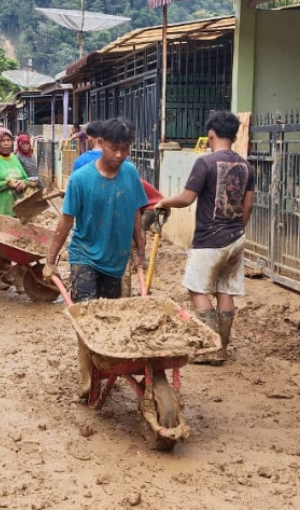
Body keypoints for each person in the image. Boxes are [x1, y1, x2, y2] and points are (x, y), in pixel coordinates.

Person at [44, 118, 148, 398]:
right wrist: (51, 259)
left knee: (110, 320)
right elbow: (65, 222)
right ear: (101, 142)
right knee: (87, 319)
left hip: (116, 260)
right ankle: (87, 374)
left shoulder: (130, 174)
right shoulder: (81, 179)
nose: (119, 155)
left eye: (125, 149)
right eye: (114, 148)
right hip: (85, 257)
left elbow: (137, 216)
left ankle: (106, 365)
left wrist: (141, 254)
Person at [155, 111, 254, 364]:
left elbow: (187, 198)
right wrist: (236, 229)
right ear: (234, 135)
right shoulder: (246, 166)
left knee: (197, 289)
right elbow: (248, 206)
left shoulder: (205, 163)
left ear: (211, 135)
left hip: (209, 239)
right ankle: (223, 346)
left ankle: (212, 348)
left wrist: (164, 201)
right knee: (225, 290)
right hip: (236, 237)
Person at [0, 128, 34, 288]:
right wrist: (6, 183)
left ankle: (5, 274)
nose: (6, 144)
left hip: (13, 210)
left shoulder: (14, 159)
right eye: (2, 141)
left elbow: (25, 177)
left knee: (10, 244)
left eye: (8, 140)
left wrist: (23, 183)